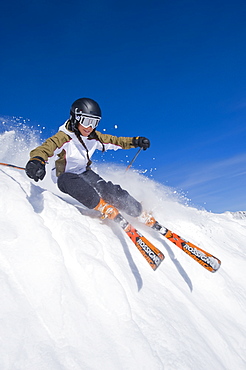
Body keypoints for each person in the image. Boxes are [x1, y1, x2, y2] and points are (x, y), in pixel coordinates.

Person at [25, 97, 150, 220]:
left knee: (107, 189)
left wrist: (135, 141)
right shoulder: (63, 137)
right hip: (65, 176)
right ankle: (102, 206)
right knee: (67, 179)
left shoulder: (94, 137)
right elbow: (46, 148)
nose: (89, 127)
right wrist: (37, 160)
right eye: (86, 121)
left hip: (85, 172)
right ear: (75, 119)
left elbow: (115, 141)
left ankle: (138, 210)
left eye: (94, 122)